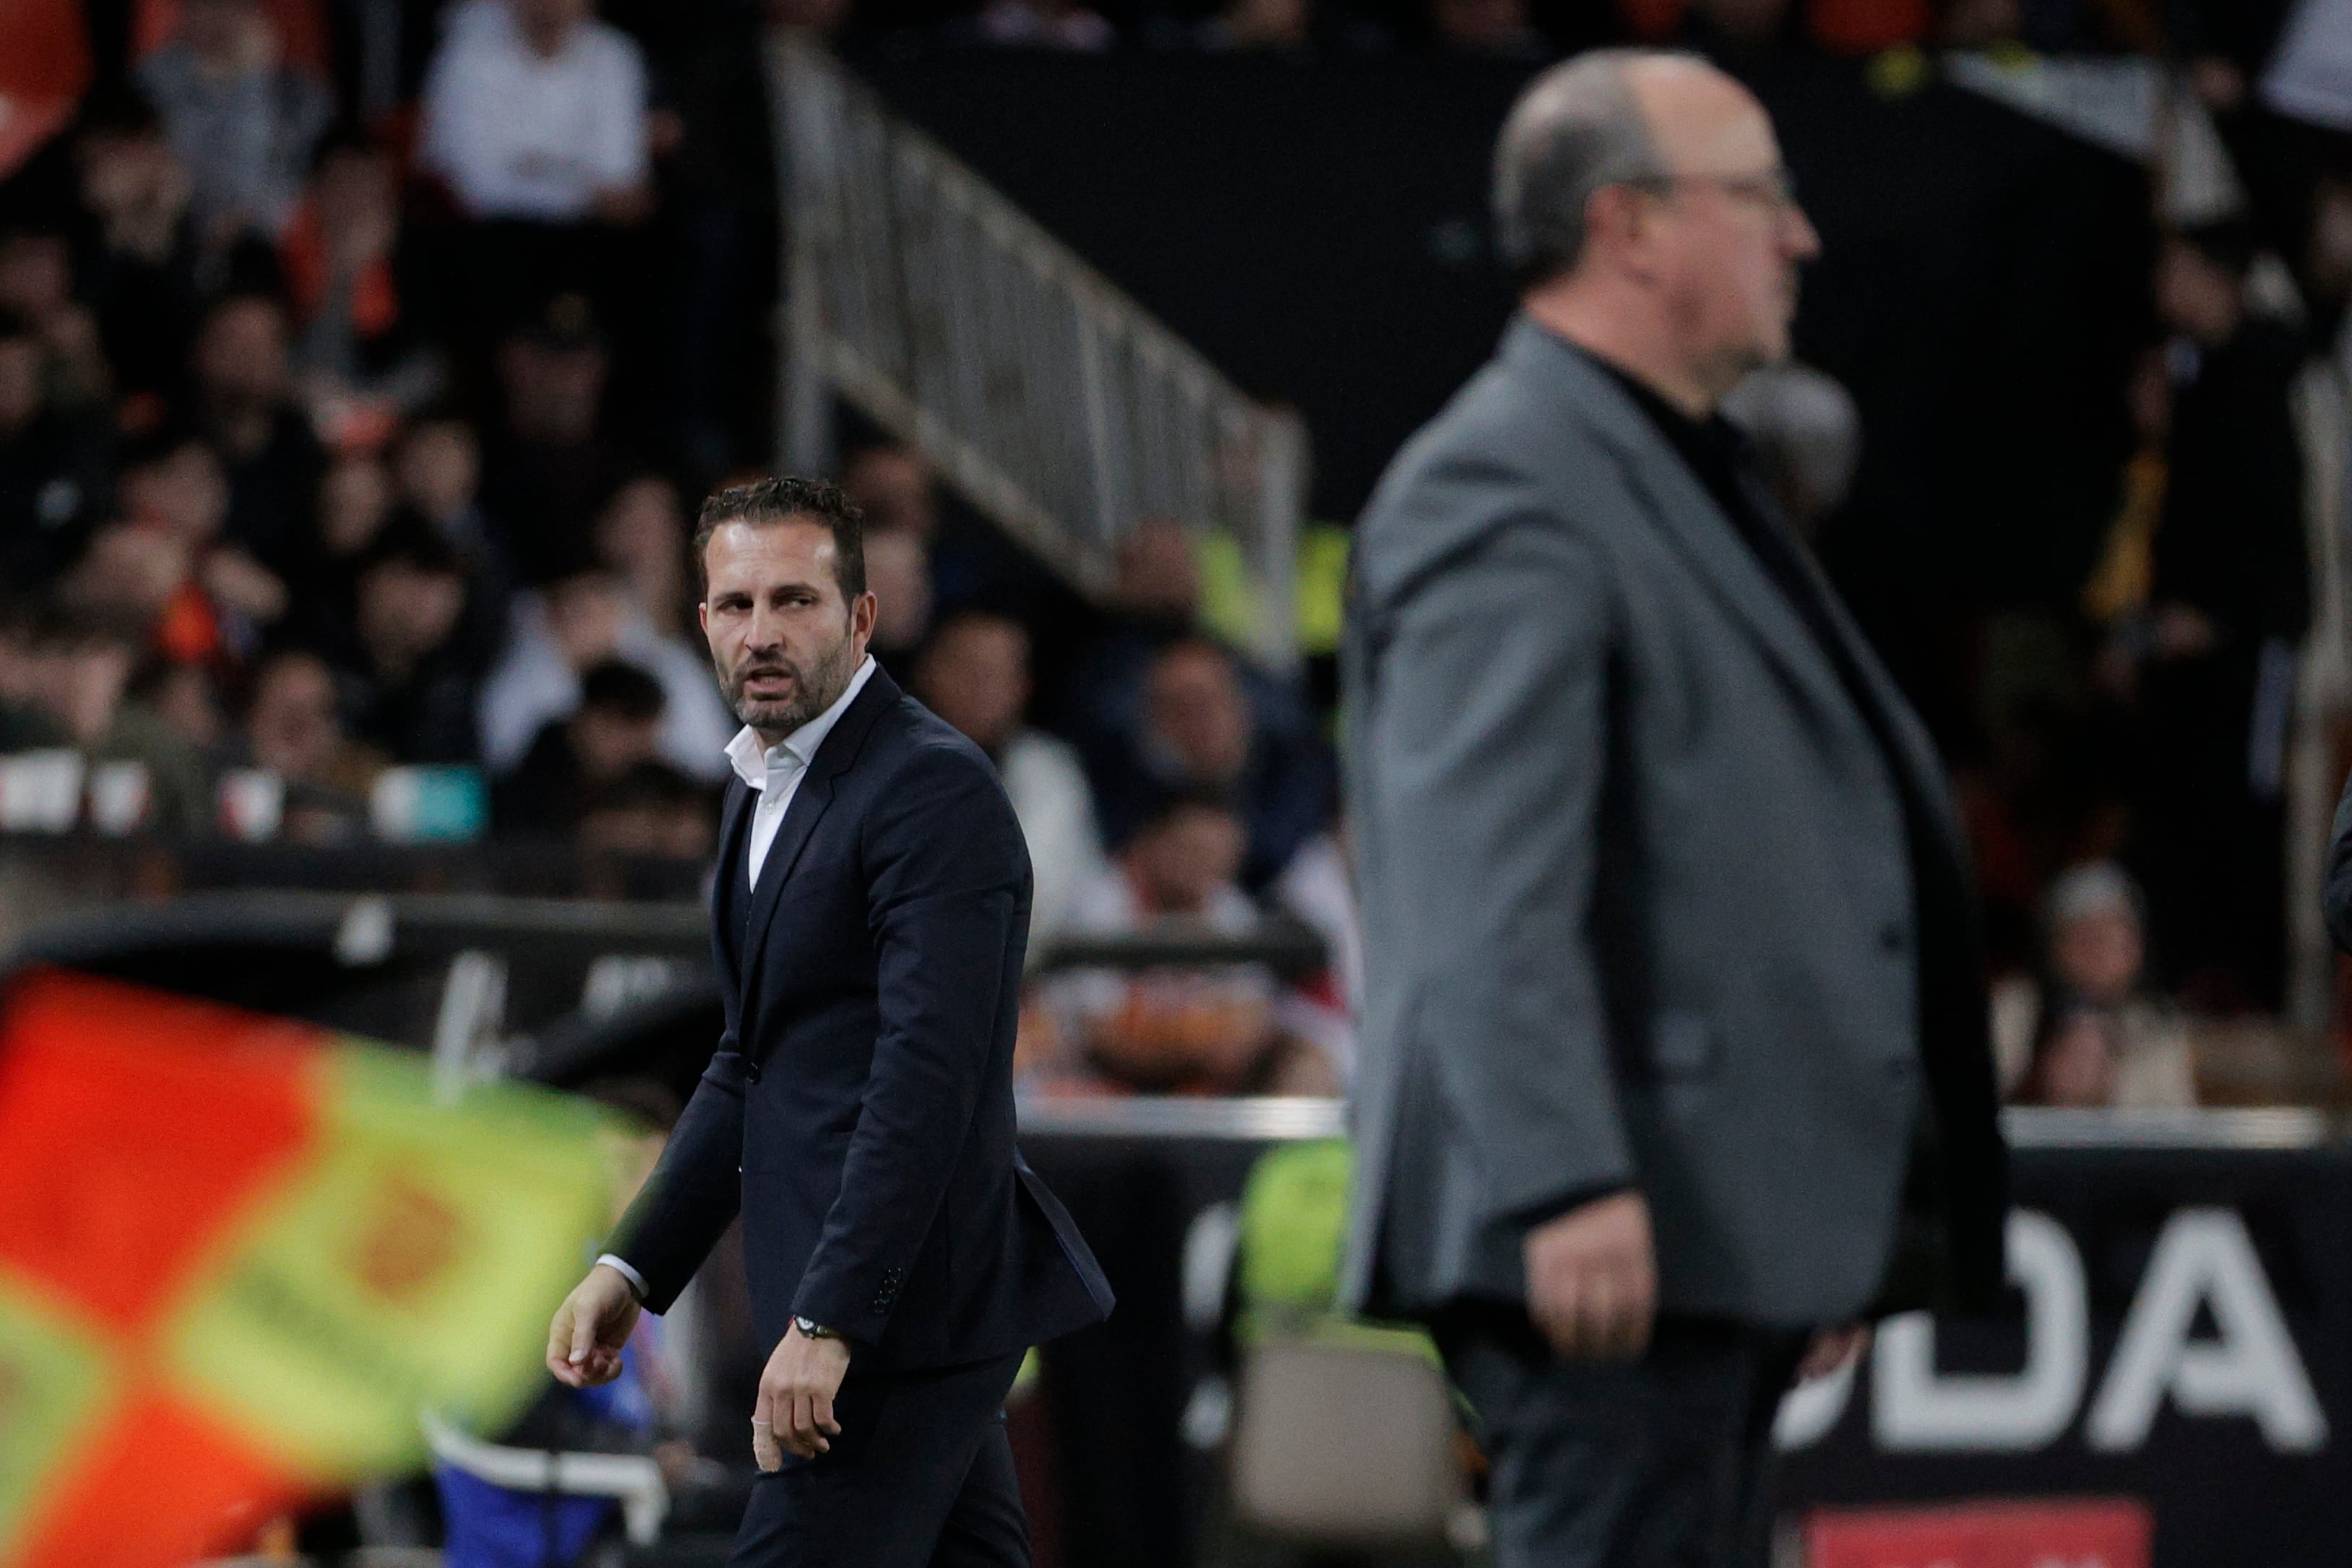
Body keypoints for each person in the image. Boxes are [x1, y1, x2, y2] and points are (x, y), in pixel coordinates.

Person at [1339, 51, 2006, 1568]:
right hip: (1598, 1232)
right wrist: (1566, 1176)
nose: (1801, 236)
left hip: (1698, 1223)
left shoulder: (1665, 467)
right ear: (1629, 227)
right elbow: (1476, 876)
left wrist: (1799, 1207)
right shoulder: (1504, 483)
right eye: (1762, 194)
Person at [543, 476, 1111, 1566]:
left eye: (796, 601)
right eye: (737, 603)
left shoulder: (931, 790)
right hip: (871, 1313)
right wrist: (632, 1268)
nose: (763, 632)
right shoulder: (757, 786)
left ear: (860, 618)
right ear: (701, 620)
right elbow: (752, 1058)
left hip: (890, 1323)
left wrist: (831, 1320)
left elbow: (924, 1079)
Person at [912, 610, 1106, 953]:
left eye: (999, 674)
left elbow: (1042, 901)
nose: (983, 687)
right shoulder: (881, 763)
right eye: (969, 670)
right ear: (929, 673)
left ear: (1023, 687)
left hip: (1026, 991)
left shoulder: (1050, 773)